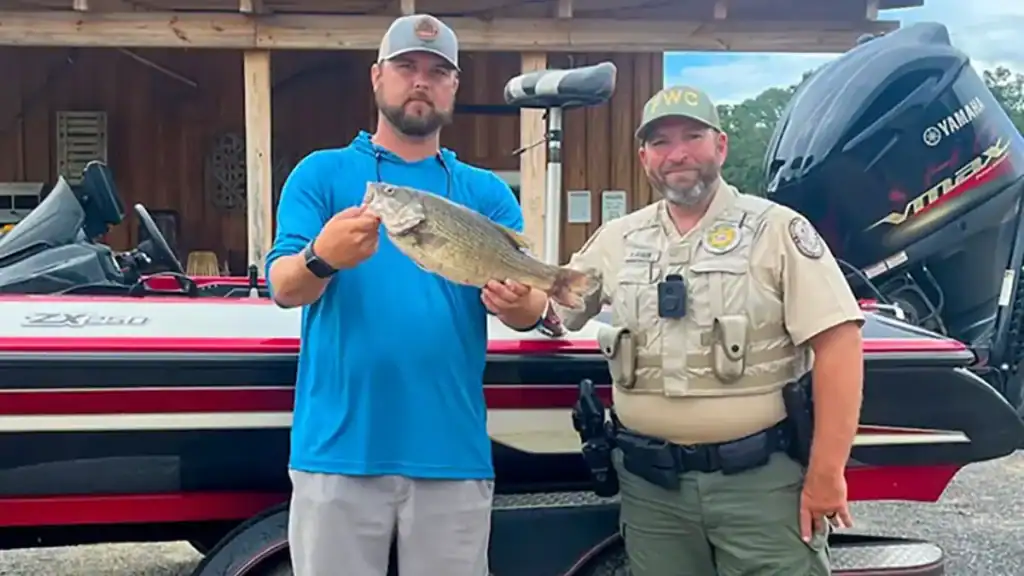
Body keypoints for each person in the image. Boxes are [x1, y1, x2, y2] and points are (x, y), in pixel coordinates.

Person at [264, 13, 549, 576]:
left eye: (438, 71)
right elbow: (283, 287)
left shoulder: (486, 193)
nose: (421, 80)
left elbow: (533, 307)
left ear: (454, 87)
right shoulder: (319, 175)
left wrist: (523, 304)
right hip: (337, 453)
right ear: (377, 77)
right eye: (407, 67)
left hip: (452, 451)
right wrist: (322, 257)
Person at [551, 85, 865, 575]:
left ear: (720, 145)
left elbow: (840, 344)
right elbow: (555, 306)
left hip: (761, 487)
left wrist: (827, 473)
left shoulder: (776, 230)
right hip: (652, 493)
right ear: (643, 157)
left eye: (692, 136)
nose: (677, 154)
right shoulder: (617, 240)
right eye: (660, 142)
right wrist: (503, 286)